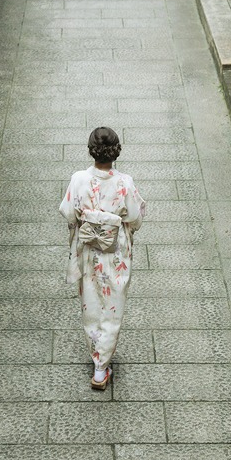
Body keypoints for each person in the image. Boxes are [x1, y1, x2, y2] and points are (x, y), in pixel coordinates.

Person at [59, 126, 146, 390]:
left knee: (91, 304)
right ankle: (100, 367)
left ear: (91, 150)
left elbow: (68, 213)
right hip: (115, 251)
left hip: (88, 250)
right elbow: (135, 217)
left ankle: (98, 361)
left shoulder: (79, 180)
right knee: (112, 306)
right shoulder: (124, 183)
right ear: (116, 151)